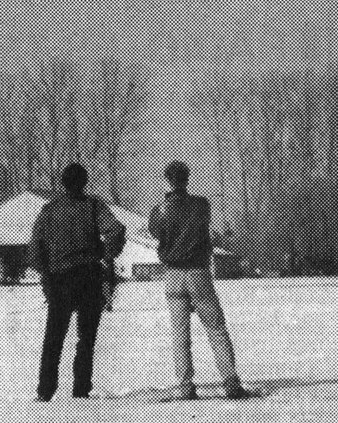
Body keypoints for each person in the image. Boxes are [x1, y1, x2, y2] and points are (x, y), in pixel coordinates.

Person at [149, 161, 253, 400]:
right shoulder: (201, 204)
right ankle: (230, 381)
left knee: (179, 332)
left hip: (173, 275)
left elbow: (156, 232)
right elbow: (203, 228)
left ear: (167, 180)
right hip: (198, 273)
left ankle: (185, 386)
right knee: (216, 328)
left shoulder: (159, 210)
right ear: (187, 178)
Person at [28, 163, 125, 401]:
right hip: (88, 276)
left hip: (59, 279)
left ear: (63, 182)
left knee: (54, 336)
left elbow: (34, 249)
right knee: (86, 336)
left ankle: (45, 390)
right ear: (85, 181)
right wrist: (105, 255)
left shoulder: (49, 210)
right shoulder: (93, 205)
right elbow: (116, 231)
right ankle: (81, 389)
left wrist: (45, 272)